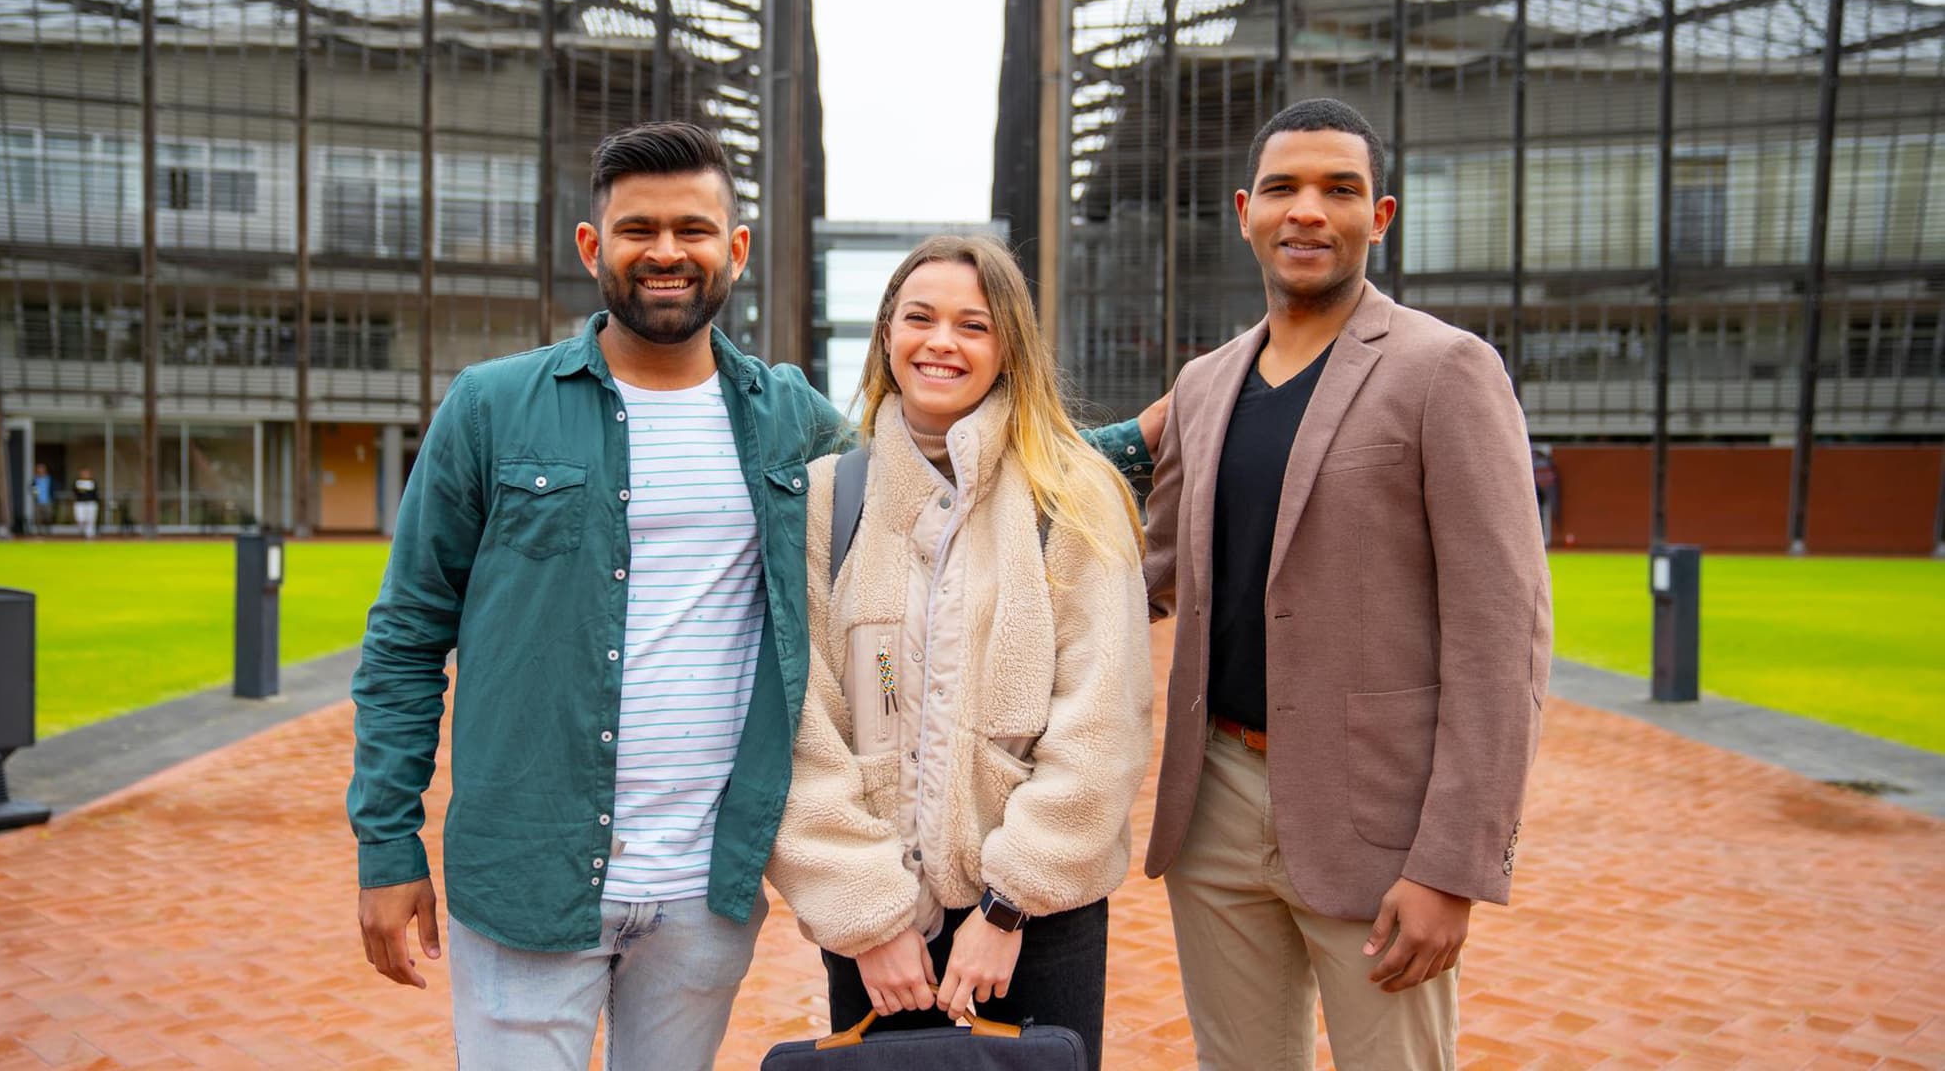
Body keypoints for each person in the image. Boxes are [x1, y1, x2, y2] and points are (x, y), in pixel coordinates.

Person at [346, 122, 1159, 1071]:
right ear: (590, 246)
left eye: (692, 229)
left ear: (733, 250)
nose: (664, 252)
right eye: (636, 228)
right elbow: (405, 639)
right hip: (532, 870)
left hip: (702, 888)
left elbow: (965, 473)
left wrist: (1138, 440)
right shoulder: (491, 408)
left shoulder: (784, 422)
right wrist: (386, 842)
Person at [1139, 98, 1551, 1069]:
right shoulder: (1203, 386)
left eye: (1340, 189)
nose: (1308, 210)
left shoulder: (1446, 369)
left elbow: (1504, 636)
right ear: (1245, 210)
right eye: (1283, 188)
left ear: (1383, 216)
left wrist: (1453, 864)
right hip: (1216, 806)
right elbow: (1149, 571)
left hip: (1380, 820)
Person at [766, 236, 1151, 1069]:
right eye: (920, 319)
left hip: (1034, 925)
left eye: (972, 325)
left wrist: (1010, 908)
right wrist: (870, 917)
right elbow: (802, 723)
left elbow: (1102, 722)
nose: (942, 342)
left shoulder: (1072, 497)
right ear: (886, 338)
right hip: (877, 926)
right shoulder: (832, 500)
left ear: (1007, 347)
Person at [72, 468, 100, 539]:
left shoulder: (92, 482)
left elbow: (95, 493)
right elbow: (75, 491)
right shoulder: (77, 482)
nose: (85, 475)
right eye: (83, 473)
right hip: (80, 503)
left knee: (91, 519)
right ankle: (83, 531)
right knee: (80, 519)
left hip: (91, 503)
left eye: (87, 473)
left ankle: (90, 535)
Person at [29, 463, 52, 534]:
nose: (40, 470)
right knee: (38, 518)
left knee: (48, 517)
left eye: (42, 468)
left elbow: (53, 488)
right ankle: (39, 532)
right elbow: (32, 489)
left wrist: (52, 496)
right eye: (39, 468)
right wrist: (35, 496)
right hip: (38, 501)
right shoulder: (35, 479)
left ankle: (47, 531)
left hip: (48, 501)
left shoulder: (49, 479)